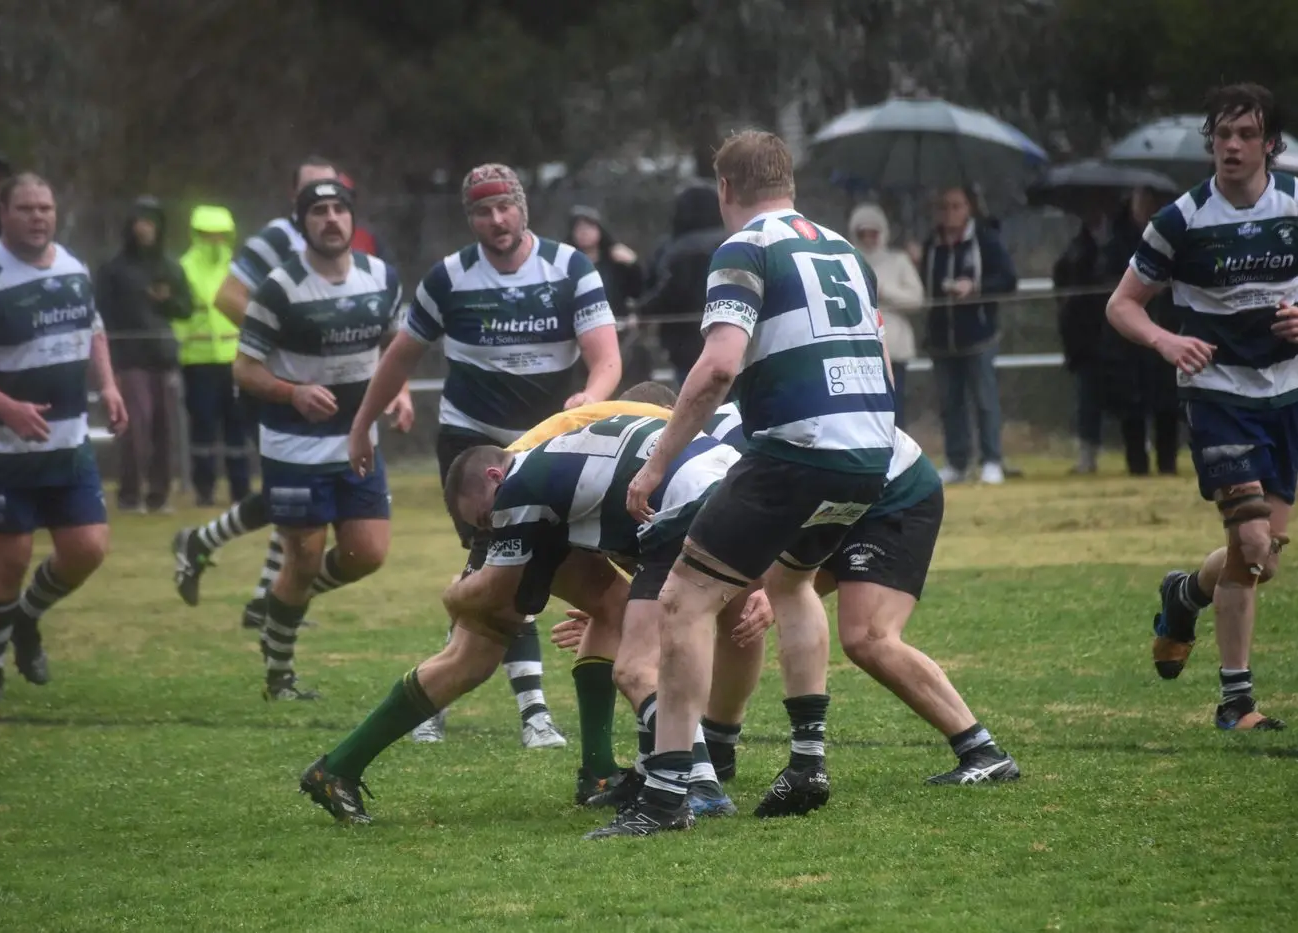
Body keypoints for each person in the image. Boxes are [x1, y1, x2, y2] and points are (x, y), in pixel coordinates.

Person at [602, 129, 895, 838]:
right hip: (872, 450)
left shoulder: (744, 248)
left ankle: (667, 795)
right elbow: (881, 358)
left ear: (724, 190)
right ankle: (806, 757)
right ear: (787, 180)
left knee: (681, 597)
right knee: (791, 582)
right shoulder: (843, 248)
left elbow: (717, 367)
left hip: (797, 448)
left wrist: (655, 461)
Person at [297, 409, 753, 827]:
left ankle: (664, 777)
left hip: (629, 506)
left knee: (630, 650)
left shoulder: (520, 481)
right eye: (481, 525)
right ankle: (338, 768)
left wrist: (454, 598)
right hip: (661, 498)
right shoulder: (524, 481)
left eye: (482, 521)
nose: (484, 529)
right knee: (477, 653)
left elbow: (504, 579)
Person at [554, 416, 1020, 811]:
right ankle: (719, 746)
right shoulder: (700, 451)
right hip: (838, 498)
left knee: (868, 636)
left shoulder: (714, 451)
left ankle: (982, 751)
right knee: (745, 601)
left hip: (892, 493)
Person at [347, 163, 621, 749]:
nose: (496, 220)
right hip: (473, 449)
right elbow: (399, 357)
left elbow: (607, 360)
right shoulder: (447, 279)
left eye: (505, 207)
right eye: (482, 211)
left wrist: (590, 399)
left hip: (548, 448)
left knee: (504, 573)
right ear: (468, 217)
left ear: (523, 207)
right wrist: (362, 424)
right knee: (502, 569)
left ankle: (438, 696)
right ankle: (533, 712)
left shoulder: (571, 267)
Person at [1107, 83, 1297, 731]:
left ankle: (1184, 594)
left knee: (1260, 557)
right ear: (1209, 143)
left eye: (1246, 134)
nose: (1232, 147)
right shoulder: (1180, 220)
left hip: (1286, 392)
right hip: (1218, 396)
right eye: (1221, 136)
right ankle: (1235, 702)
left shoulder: (1295, 203)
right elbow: (1121, 304)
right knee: (1245, 539)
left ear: (1270, 144)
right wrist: (1164, 339)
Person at [172, 158, 407, 633]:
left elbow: (382, 326)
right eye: (313, 194)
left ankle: (257, 585)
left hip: (338, 400)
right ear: (295, 201)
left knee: (295, 510)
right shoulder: (278, 240)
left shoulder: (357, 248)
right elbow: (226, 296)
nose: (327, 205)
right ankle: (273, 599)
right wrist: (287, 342)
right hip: (285, 388)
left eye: (336, 192)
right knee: (297, 514)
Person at [0, 173, 128, 702]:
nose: (39, 217)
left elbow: (94, 329)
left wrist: (107, 385)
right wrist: (6, 408)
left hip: (66, 441)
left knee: (87, 549)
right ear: (3, 212)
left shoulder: (73, 266)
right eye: (27, 208)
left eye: (46, 208)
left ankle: (27, 619)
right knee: (9, 560)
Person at [231, 179, 403, 700]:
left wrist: (401, 394)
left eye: (339, 210)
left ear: (352, 218)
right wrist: (291, 392)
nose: (331, 219)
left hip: (356, 441)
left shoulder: (381, 278)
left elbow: (396, 345)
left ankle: (282, 605)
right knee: (302, 559)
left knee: (368, 553)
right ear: (302, 222)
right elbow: (244, 368)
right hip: (294, 447)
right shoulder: (279, 287)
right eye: (319, 211)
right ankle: (278, 675)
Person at [95, 196, 192, 513]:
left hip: (162, 356)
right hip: (129, 357)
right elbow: (101, 314)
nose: (145, 229)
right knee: (136, 428)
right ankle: (129, 496)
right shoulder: (114, 269)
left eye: (151, 222)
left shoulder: (169, 267)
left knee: (165, 430)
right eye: (140, 221)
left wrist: (165, 301)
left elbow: (185, 309)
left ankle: (159, 496)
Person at [921, 187, 1018, 485]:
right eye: (944, 206)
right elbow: (925, 286)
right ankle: (956, 461)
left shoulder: (985, 241)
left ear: (969, 208)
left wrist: (974, 287)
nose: (950, 212)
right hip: (941, 339)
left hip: (979, 336)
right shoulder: (931, 245)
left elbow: (1008, 280)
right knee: (950, 403)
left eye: (956, 206)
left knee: (985, 400)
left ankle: (991, 460)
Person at [1100, 187, 1182, 476]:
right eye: (1142, 199)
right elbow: (1107, 280)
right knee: (1132, 404)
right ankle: (1136, 464)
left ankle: (1168, 462)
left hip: (1167, 328)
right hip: (1129, 340)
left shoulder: (1175, 235)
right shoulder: (1117, 241)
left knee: (1167, 403)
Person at [175, 204, 249, 505]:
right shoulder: (182, 269)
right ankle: (204, 490)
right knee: (203, 428)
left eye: (221, 235)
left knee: (238, 427)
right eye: (208, 235)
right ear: (196, 235)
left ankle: (241, 490)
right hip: (198, 360)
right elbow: (176, 318)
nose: (215, 240)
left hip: (235, 358)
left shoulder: (238, 269)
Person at [638, 185, 727, 385]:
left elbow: (669, 293)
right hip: (734, 336)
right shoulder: (736, 240)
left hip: (685, 342)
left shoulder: (676, 249)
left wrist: (642, 310)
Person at [1052, 199, 1117, 474]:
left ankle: (1142, 448)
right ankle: (1087, 454)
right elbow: (1063, 277)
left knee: (1128, 393)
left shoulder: (1121, 241)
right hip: (1086, 335)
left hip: (1117, 331)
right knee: (1086, 397)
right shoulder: (1077, 245)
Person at [849, 203, 925, 428]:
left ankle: (897, 456)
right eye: (864, 233)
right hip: (858, 348)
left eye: (874, 233)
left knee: (894, 407)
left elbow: (916, 299)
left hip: (894, 349)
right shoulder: (848, 259)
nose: (869, 239)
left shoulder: (898, 260)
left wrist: (884, 292)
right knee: (862, 409)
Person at [567, 205, 643, 316]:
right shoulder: (567, 262)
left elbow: (637, 290)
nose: (584, 232)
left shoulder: (615, 260)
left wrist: (633, 264)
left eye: (589, 227)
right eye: (578, 228)